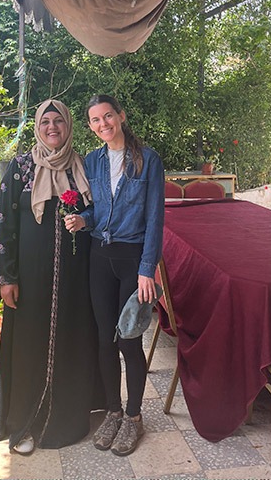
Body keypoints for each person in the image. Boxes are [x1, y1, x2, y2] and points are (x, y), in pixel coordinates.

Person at [0, 99, 101, 454]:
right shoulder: (21, 168)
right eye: (45, 122)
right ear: (37, 127)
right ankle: (23, 425)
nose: (52, 127)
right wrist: (6, 277)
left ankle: (67, 419)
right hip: (30, 280)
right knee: (28, 346)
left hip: (74, 280)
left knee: (71, 342)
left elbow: (99, 213)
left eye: (59, 121)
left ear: (68, 126)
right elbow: (5, 224)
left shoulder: (82, 167)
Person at [67, 94, 164, 456]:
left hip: (132, 259)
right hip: (99, 256)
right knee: (105, 340)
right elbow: (95, 210)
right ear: (90, 126)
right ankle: (113, 412)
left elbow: (155, 218)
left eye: (107, 116)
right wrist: (82, 220)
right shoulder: (92, 161)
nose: (103, 124)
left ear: (121, 116)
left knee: (129, 341)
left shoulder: (147, 160)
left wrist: (146, 270)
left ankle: (134, 418)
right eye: (95, 120)